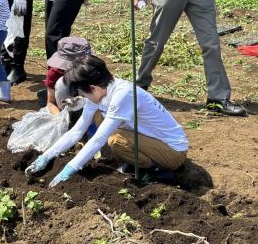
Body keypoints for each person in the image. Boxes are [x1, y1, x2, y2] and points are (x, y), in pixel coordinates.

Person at [25, 55, 189, 186]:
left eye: (82, 94)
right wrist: (46, 157)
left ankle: (155, 170)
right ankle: (138, 162)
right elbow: (78, 130)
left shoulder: (123, 95)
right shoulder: (100, 89)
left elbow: (99, 138)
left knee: (115, 139)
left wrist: (71, 168)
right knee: (103, 123)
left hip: (173, 150)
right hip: (147, 138)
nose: (82, 97)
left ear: (93, 88)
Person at [42, 37, 92, 111]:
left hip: (89, 103)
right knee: (61, 84)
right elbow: (50, 103)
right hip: (64, 101)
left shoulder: (93, 70)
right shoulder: (55, 73)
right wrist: (60, 117)